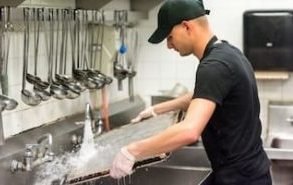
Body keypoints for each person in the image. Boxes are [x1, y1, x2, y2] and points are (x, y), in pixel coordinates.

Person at [109, 0, 272, 184]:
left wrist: (132, 151)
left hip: (240, 179)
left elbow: (189, 131)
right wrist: (157, 110)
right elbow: (202, 96)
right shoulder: (228, 53)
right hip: (247, 171)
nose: (169, 45)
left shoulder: (214, 66)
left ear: (186, 26)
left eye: (169, 37)